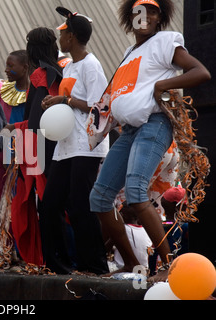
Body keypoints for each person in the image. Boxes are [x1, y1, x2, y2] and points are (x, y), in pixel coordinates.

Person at [88, 0, 211, 280]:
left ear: (159, 18)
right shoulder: (129, 52)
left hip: (154, 124)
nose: (145, 16)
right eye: (139, 11)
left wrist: (162, 85)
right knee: (99, 197)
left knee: (136, 190)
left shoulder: (167, 41)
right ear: (131, 19)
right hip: (130, 130)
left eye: (152, 11)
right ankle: (133, 264)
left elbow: (201, 72)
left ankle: (170, 269)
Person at [37, 8, 110, 275]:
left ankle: (95, 266)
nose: (60, 39)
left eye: (64, 33)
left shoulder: (92, 64)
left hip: (86, 145)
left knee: (80, 207)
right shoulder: (71, 65)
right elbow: (68, 102)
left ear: (74, 37)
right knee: (50, 204)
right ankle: (59, 264)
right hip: (65, 146)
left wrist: (63, 100)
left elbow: (98, 104)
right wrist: (53, 103)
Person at [3, 27, 63, 266]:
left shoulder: (42, 74)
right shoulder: (58, 71)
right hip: (56, 146)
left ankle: (48, 259)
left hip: (42, 151)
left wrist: (15, 128)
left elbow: (37, 120)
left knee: (43, 207)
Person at [0, 50, 29, 240]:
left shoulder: (34, 94)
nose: (5, 70)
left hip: (25, 153)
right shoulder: (2, 92)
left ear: (25, 67)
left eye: (11, 66)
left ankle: (19, 246)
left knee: (19, 199)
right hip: (1, 152)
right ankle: (1, 244)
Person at [109, 203, 153, 271]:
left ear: (121, 215)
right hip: (144, 270)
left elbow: (105, 248)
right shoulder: (147, 231)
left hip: (121, 269)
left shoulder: (122, 229)